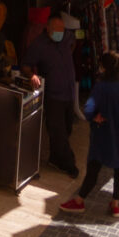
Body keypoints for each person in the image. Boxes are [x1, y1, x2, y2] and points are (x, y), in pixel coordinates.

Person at [62, 51, 119, 217]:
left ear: (104, 68)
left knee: (94, 169)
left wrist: (93, 117)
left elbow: (89, 109)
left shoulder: (100, 88)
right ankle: (115, 204)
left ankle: (79, 201)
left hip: (104, 135)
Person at [20, 12, 81, 174]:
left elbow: (73, 41)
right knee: (58, 131)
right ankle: (69, 164)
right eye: (57, 30)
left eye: (62, 30)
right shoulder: (39, 45)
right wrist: (32, 75)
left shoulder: (66, 38)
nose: (60, 33)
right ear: (48, 29)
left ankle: (55, 159)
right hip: (54, 96)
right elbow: (26, 65)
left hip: (68, 93)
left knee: (66, 128)